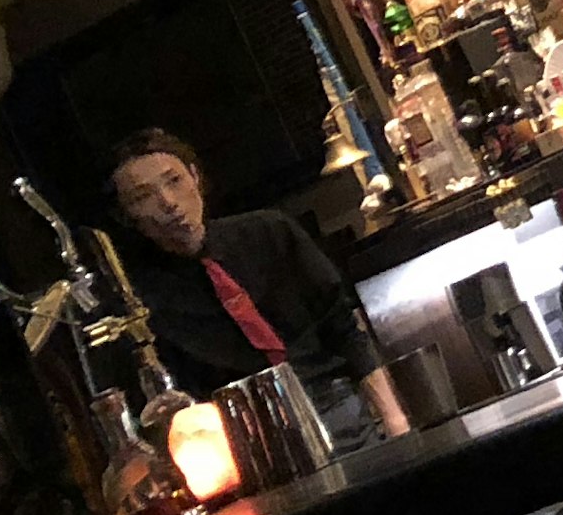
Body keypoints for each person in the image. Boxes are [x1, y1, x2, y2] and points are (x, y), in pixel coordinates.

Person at [106, 129, 410, 434]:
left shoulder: (269, 232)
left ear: (195, 177)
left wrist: (395, 419)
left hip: (341, 401)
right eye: (144, 196)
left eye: (174, 180)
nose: (168, 202)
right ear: (128, 215)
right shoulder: (144, 302)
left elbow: (343, 327)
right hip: (249, 432)